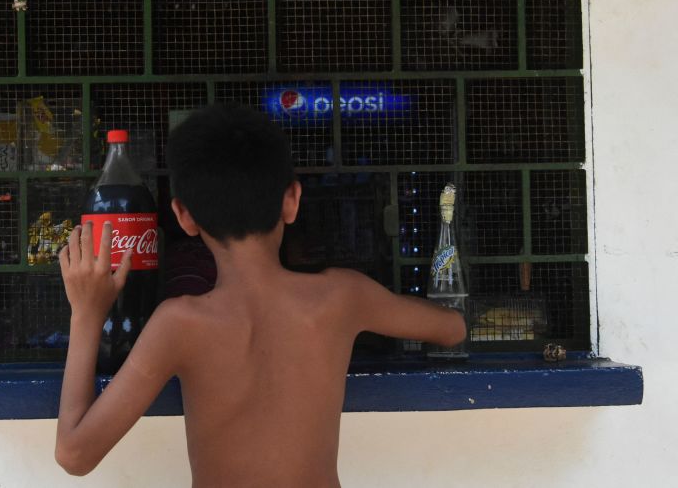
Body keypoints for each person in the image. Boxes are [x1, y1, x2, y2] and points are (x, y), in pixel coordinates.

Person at [55, 104, 466, 486]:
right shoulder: (342, 298)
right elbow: (452, 328)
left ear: (184, 217)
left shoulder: (178, 325)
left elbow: (75, 455)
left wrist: (87, 315)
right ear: (292, 200)